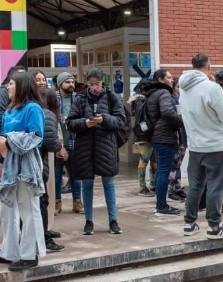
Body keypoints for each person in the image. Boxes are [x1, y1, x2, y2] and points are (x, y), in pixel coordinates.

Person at [0, 71, 47, 271]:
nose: (8, 87)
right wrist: (0, 165)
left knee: (28, 209)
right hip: (10, 166)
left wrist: (9, 142)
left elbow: (36, 137)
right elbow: (3, 142)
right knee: (7, 209)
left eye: (11, 84)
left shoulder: (33, 109)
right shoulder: (9, 111)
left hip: (27, 165)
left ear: (21, 86)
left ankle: (30, 254)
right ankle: (9, 251)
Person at [178, 54, 223, 239]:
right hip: (213, 144)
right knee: (215, 185)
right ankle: (214, 226)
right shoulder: (212, 87)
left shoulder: (184, 88)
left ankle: (189, 223)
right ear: (209, 66)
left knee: (195, 185)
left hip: (194, 145)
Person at [67, 67, 128, 236]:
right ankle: (89, 221)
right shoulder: (80, 99)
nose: (94, 87)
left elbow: (121, 120)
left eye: (98, 83)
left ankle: (113, 220)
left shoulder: (111, 97)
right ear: (87, 83)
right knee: (87, 183)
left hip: (106, 146)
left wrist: (104, 119)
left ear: (103, 82)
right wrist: (86, 123)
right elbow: (70, 122)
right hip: (85, 147)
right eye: (91, 84)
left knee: (109, 183)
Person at [145, 68, 184, 217]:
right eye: (168, 77)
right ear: (160, 79)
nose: (171, 79)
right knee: (163, 171)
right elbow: (167, 112)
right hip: (164, 136)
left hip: (157, 136)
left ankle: (161, 204)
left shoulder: (153, 93)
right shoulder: (164, 93)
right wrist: (182, 121)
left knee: (161, 170)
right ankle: (161, 205)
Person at [37, 87, 66, 251]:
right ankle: (44, 238)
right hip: (40, 163)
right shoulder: (47, 115)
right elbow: (51, 142)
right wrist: (60, 145)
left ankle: (43, 235)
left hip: (35, 163)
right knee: (42, 201)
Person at [53, 72, 83, 212]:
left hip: (75, 142)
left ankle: (77, 202)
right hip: (58, 143)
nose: (71, 84)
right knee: (57, 175)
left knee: (76, 175)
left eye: (72, 82)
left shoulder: (78, 99)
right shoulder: (53, 99)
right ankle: (56, 204)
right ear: (60, 84)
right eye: (67, 82)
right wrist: (58, 145)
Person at [129, 78, 157, 197]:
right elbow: (143, 118)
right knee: (144, 160)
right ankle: (142, 186)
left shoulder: (140, 99)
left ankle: (153, 183)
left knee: (153, 160)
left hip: (149, 134)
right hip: (145, 135)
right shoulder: (141, 100)